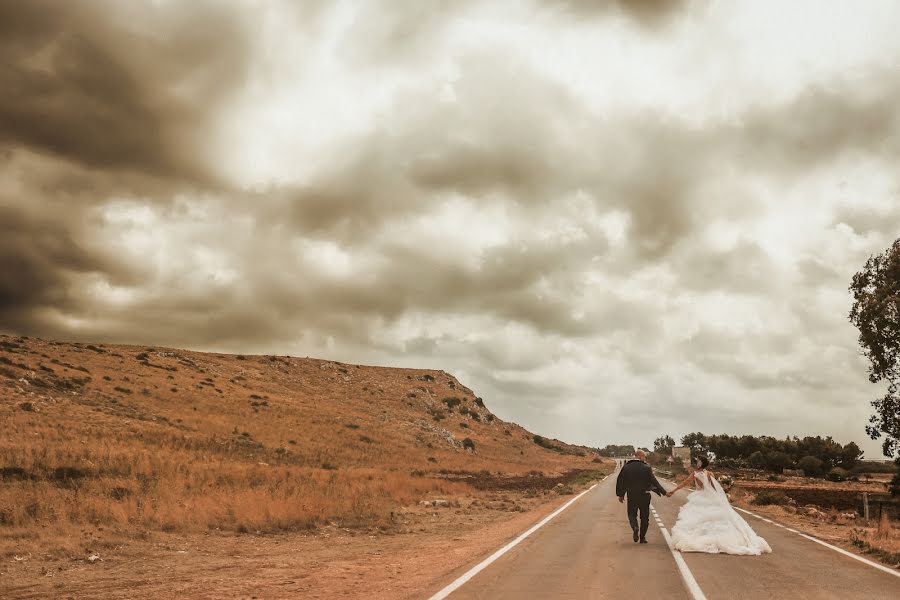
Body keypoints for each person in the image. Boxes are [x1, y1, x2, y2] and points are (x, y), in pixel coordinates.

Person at [667, 456, 772, 555]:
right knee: (710, 519)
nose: (696, 462)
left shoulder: (697, 474)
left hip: (700, 497)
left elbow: (686, 483)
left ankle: (704, 538)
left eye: (698, 461)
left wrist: (673, 491)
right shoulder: (708, 474)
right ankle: (710, 537)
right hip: (708, 497)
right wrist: (724, 492)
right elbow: (714, 487)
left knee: (699, 519)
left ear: (701, 463)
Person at [615, 450, 668, 544]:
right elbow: (654, 481)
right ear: (639, 456)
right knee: (644, 517)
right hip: (645, 495)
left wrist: (621, 494)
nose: (645, 458)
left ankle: (635, 527)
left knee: (631, 514)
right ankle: (642, 538)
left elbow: (621, 481)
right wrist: (664, 492)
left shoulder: (626, 467)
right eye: (644, 456)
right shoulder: (646, 467)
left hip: (632, 495)